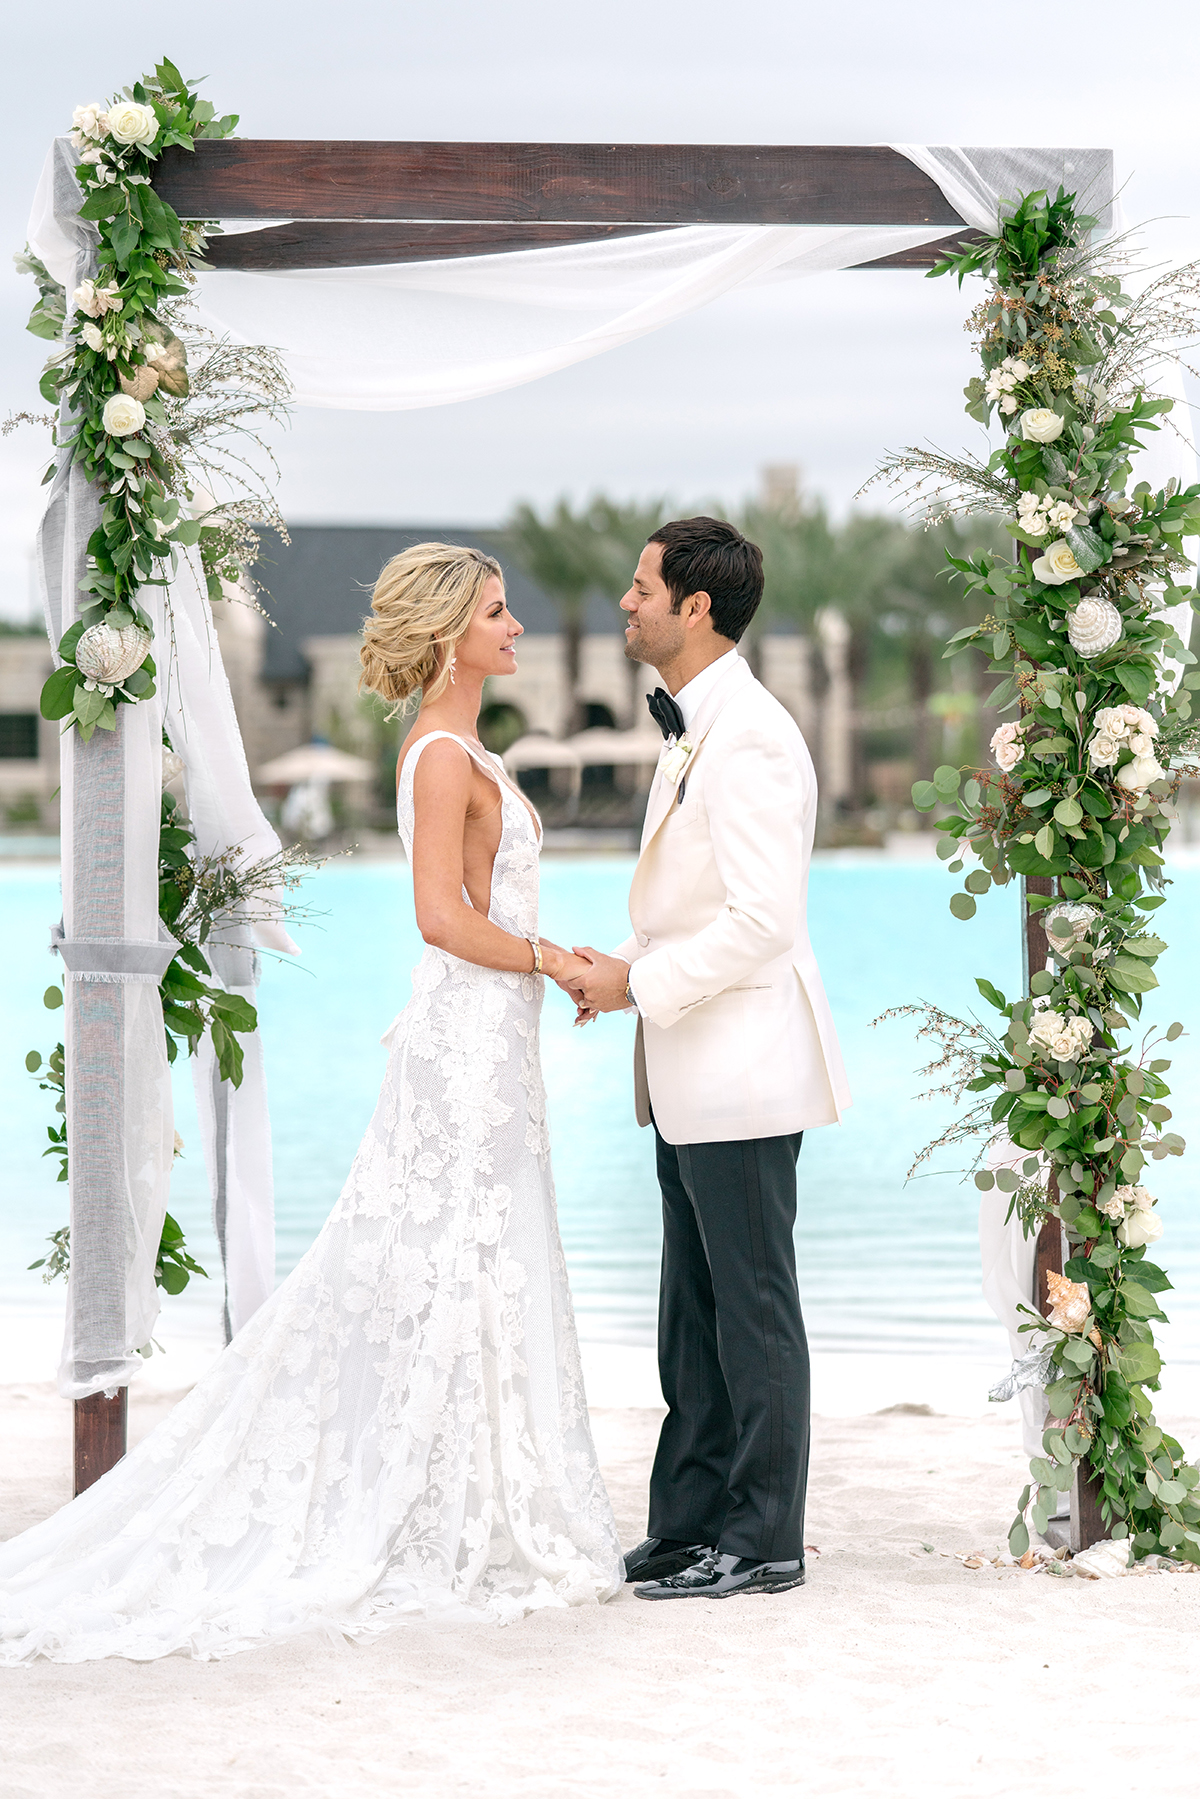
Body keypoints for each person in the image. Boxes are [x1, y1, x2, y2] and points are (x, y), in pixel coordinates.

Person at [0, 543, 623, 1663]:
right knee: (442, 1256)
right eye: (496, 611)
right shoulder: (441, 756)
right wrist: (549, 959)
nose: (516, 626)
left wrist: (551, 956)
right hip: (462, 1047)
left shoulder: (469, 748)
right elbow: (441, 918)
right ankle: (428, 1499)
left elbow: (484, 908)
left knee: (474, 1259)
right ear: (448, 634)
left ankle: (467, 1490)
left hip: (495, 1041)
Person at [564, 517, 850, 1601]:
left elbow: (763, 922)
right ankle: (686, 1521)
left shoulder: (757, 736)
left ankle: (765, 1536)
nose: (625, 602)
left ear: (695, 608)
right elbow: (691, 907)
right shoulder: (697, 726)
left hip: (740, 1066)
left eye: (641, 588)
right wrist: (618, 963)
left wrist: (636, 982)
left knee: (753, 1310)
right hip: (688, 1068)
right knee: (693, 1314)